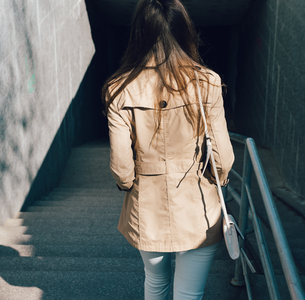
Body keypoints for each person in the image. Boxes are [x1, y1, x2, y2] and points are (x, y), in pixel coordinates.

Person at [103, 0, 234, 299]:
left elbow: (122, 167)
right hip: (198, 205)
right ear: (183, 29)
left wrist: (129, 184)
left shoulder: (119, 89)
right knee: (190, 294)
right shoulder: (207, 82)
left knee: (155, 283)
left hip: (146, 207)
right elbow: (223, 159)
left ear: (139, 33)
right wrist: (218, 179)